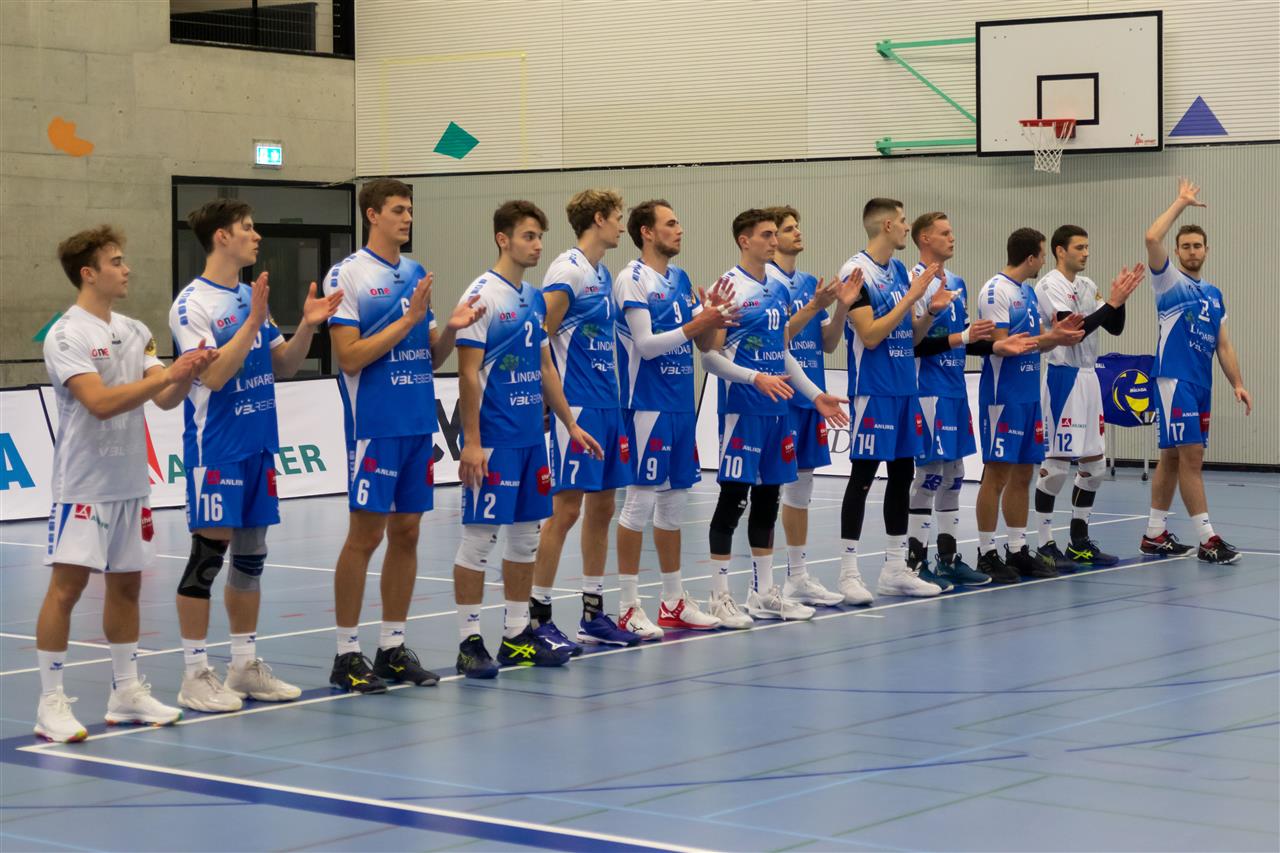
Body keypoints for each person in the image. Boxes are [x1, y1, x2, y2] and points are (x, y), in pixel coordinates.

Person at [35, 226, 217, 742]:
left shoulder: (136, 330)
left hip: (131, 483)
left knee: (128, 586)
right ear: (88, 273)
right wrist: (166, 376)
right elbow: (99, 403)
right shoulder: (65, 335)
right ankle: (50, 702)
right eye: (115, 261)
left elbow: (165, 399)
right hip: (83, 486)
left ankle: (126, 691)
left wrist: (187, 372)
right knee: (67, 589)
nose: (126, 268)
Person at [169, 199, 342, 712]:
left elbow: (282, 365)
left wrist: (307, 326)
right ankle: (194, 674)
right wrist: (252, 324)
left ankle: (243, 666)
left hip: (259, 444)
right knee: (207, 560)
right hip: (217, 449)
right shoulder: (192, 305)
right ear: (221, 237)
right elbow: (213, 376)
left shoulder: (249, 296)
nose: (256, 235)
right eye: (246, 228)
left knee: (251, 558)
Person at [324, 179, 485, 694]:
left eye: (410, 210)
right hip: (375, 425)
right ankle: (346, 653)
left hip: (418, 421)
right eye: (398, 209)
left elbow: (430, 356)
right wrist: (409, 319)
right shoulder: (347, 274)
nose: (407, 218)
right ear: (372, 214)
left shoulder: (415, 272)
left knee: (408, 532)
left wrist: (450, 327)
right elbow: (349, 356)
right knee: (365, 535)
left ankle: (391, 647)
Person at [451, 200, 603, 677]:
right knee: (479, 541)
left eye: (540, 237)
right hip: (493, 441)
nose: (537, 245)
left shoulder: (534, 299)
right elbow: (468, 374)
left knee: (525, 541)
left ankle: (516, 635)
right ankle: (468, 641)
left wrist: (570, 424)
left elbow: (544, 368)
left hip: (531, 439)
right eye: (528, 236)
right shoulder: (482, 296)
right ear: (503, 239)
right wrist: (471, 442)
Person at [702, 209, 850, 626]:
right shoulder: (726, 288)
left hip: (777, 409)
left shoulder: (778, 289)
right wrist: (755, 378)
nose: (773, 241)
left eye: (774, 234)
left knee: (768, 501)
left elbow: (782, 352)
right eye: (766, 235)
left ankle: (763, 593)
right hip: (743, 410)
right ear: (744, 240)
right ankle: (718, 597)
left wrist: (816, 395)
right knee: (733, 501)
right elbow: (710, 358)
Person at [613, 200, 736, 638]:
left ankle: (673, 601)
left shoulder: (681, 279)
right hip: (647, 405)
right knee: (638, 504)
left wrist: (716, 318)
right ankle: (627, 606)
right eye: (670, 223)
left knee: (673, 505)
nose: (679, 229)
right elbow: (646, 345)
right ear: (646, 232)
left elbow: (705, 346)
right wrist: (698, 323)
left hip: (682, 405)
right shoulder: (631, 278)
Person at [905, 212, 1039, 590]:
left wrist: (995, 346)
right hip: (928, 389)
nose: (952, 238)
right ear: (924, 238)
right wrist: (964, 337)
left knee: (955, 475)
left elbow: (967, 341)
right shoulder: (913, 281)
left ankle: (948, 559)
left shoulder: (958, 283)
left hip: (955, 388)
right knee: (929, 475)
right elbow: (914, 344)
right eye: (945, 233)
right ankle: (915, 560)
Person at [531, 189, 639, 653]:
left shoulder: (602, 273)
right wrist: (551, 407)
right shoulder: (567, 270)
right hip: (576, 406)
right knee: (566, 511)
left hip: (607, 404)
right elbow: (539, 339)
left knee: (602, 508)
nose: (621, 226)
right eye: (617, 217)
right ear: (598, 219)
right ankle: (537, 617)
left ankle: (593, 614)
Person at [837, 198, 951, 602]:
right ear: (887, 225)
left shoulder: (900, 271)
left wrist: (929, 312)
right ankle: (848, 573)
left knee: (903, 476)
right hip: (873, 390)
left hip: (905, 389)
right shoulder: (856, 271)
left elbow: (912, 337)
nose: (907, 227)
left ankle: (895, 568)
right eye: (902, 221)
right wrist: (911, 297)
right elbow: (869, 336)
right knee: (863, 477)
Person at [1140, 179, 1251, 564]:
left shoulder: (1214, 294)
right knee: (1191, 457)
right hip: (1174, 379)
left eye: (1197, 246)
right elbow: (1151, 237)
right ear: (1177, 251)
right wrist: (1181, 203)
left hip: (1201, 383)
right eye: (1185, 246)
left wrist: (1238, 383)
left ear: (1206, 250)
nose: (1191, 251)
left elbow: (1224, 345)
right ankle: (1208, 539)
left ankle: (1154, 534)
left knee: (1172, 457)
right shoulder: (1168, 280)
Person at [974, 228, 1084, 583]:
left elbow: (1037, 343)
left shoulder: (1027, 292)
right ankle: (986, 552)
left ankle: (1018, 548)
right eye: (1042, 255)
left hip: (1029, 394)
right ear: (1032, 257)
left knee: (1024, 474)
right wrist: (1050, 337)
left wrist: (1057, 337)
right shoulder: (996, 290)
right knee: (996, 474)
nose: (1043, 262)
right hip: (1003, 397)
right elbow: (1003, 345)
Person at [1032, 225, 1143, 570]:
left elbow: (1114, 327)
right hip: (1063, 377)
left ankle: (1079, 541)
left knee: (1094, 468)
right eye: (1079, 247)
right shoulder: (1049, 285)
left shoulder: (1087, 285)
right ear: (1060, 250)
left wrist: (1119, 301)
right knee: (1056, 469)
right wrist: (1112, 303)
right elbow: (1074, 332)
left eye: (1087, 247)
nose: (1086, 253)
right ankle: (1044, 544)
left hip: (1089, 376)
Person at [765, 206, 854, 608]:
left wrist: (841, 308)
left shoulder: (807, 282)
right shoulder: (765, 283)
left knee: (802, 490)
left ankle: (797, 577)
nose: (797, 232)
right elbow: (778, 339)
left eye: (797, 226)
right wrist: (816, 306)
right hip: (779, 395)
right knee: (769, 491)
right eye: (788, 228)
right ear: (772, 238)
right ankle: (765, 584)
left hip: (811, 396)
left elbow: (829, 343)